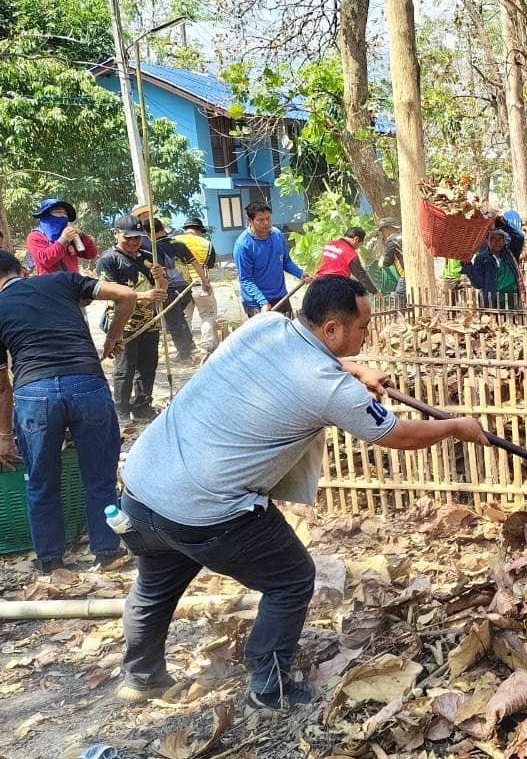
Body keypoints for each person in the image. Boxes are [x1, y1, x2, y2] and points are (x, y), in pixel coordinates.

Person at [115, 276, 488, 708]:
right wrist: (457, 426)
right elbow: (398, 434)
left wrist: (356, 367)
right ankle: (269, 686)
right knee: (291, 578)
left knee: (156, 581)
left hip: (144, 484)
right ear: (331, 329)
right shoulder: (331, 388)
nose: (368, 333)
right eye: (363, 326)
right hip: (207, 508)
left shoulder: (264, 327)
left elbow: (302, 364)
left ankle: (140, 677)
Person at [0, 250, 158, 574]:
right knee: (99, 476)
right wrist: (113, 338)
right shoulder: (62, 280)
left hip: (34, 392)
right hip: (87, 384)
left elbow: (2, 385)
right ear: (23, 271)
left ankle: (51, 561)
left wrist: (4, 436)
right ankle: (107, 553)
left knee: (41, 482)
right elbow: (127, 295)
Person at [97, 215, 166, 421]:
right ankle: (121, 409)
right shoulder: (108, 260)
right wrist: (144, 295)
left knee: (148, 366)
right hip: (123, 323)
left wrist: (160, 276)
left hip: (150, 321)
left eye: (138, 237)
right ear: (115, 234)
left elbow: (162, 291)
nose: (134, 242)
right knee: (125, 368)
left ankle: (143, 405)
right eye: (129, 238)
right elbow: (110, 292)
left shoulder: (148, 256)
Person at [234, 202, 310, 317]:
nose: (266, 223)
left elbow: (285, 261)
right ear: (250, 221)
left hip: (281, 297)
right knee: (262, 335)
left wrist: (300, 273)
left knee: (286, 331)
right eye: (260, 220)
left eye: (268, 218)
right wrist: (262, 301)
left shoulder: (277, 235)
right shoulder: (243, 246)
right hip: (257, 303)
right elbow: (246, 279)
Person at [147, 220, 200, 362]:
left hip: (170, 289)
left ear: (148, 233)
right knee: (179, 318)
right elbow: (195, 263)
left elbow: (162, 271)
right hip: (186, 288)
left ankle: (184, 352)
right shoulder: (179, 243)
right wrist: (205, 282)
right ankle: (189, 347)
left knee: (174, 322)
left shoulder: (155, 248)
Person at [171, 219, 220, 353]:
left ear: (185, 229)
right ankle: (207, 345)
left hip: (181, 286)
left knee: (185, 317)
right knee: (207, 315)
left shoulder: (174, 241)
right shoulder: (206, 244)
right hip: (201, 285)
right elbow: (208, 265)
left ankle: (186, 348)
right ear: (199, 230)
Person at [27, 198, 97, 275]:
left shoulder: (70, 235)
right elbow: (45, 260)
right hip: (49, 284)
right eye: (58, 212)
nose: (63, 216)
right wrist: (63, 240)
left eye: (65, 214)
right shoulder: (35, 236)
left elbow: (90, 254)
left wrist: (82, 236)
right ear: (46, 215)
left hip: (72, 283)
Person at [462, 223, 524, 310]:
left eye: (500, 239)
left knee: (514, 322)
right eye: (493, 239)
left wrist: (503, 224)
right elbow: (478, 284)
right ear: (487, 240)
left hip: (512, 300)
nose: (497, 242)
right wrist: (468, 266)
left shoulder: (510, 252)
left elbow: (519, 236)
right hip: (492, 302)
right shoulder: (481, 258)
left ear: (504, 240)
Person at [316, 226, 378, 294]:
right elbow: (361, 276)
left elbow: (319, 264)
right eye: (359, 245)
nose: (357, 248)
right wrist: (375, 292)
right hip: (335, 287)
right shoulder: (351, 253)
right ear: (356, 239)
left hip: (318, 283)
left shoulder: (329, 244)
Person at [377, 218, 406, 307]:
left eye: (382, 231)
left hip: (406, 274)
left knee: (399, 296)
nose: (382, 234)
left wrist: (381, 261)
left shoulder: (391, 241)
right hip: (414, 272)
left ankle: (400, 318)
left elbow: (386, 262)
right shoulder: (403, 236)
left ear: (387, 229)